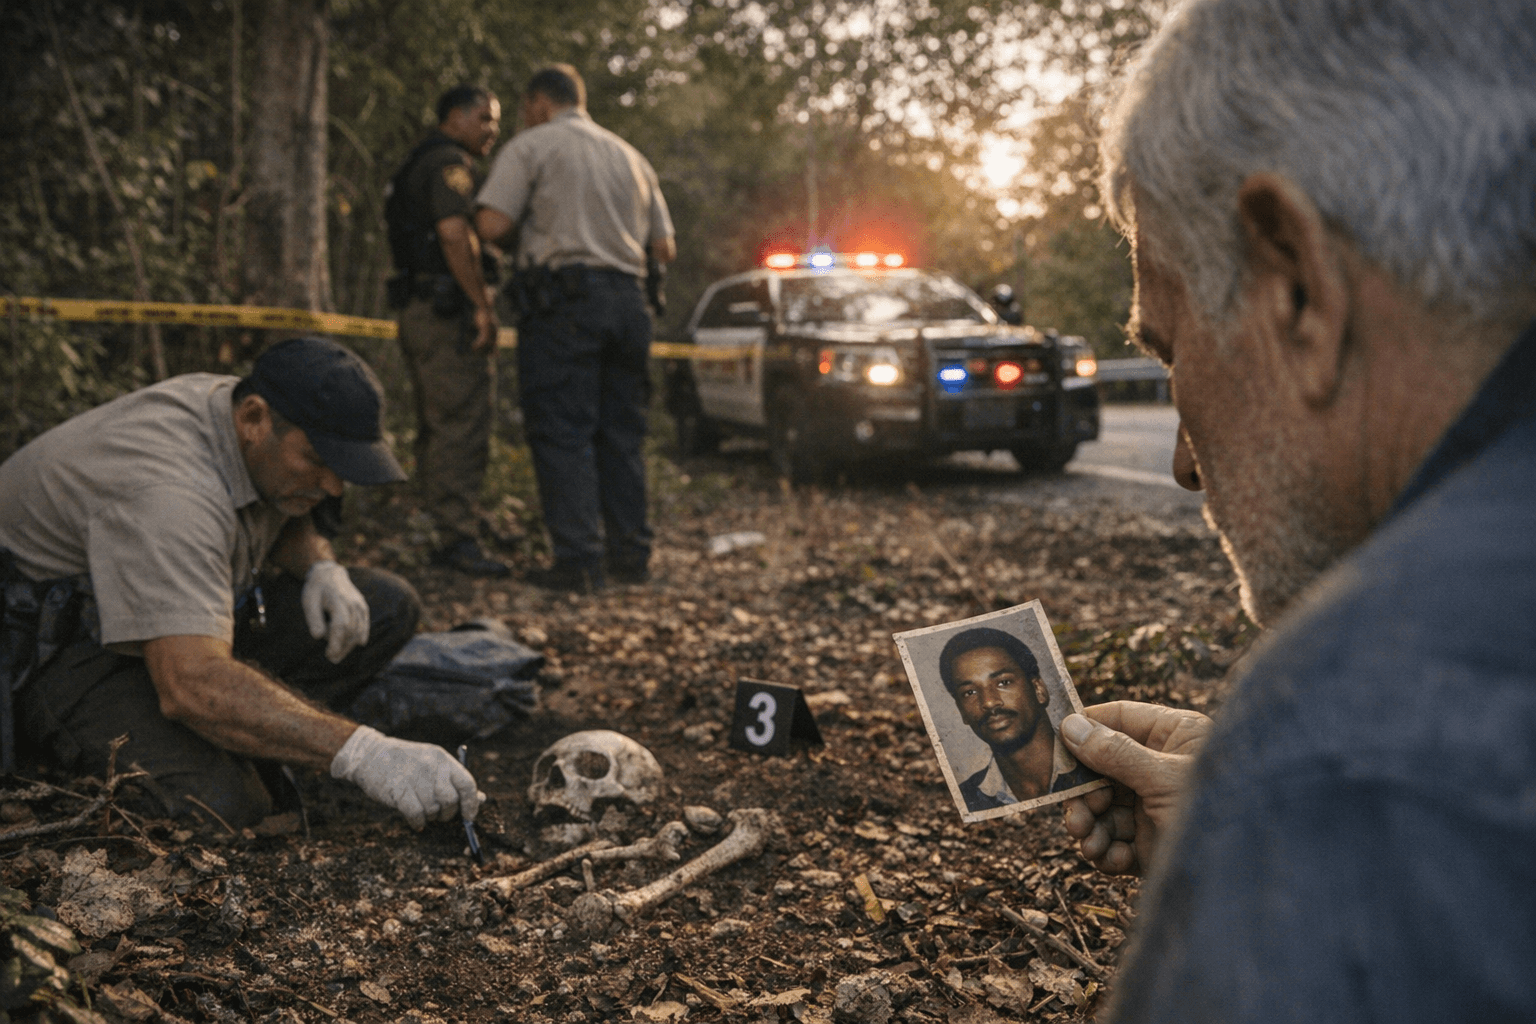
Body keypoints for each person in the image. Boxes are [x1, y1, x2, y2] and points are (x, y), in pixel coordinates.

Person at [1046, 1, 1536, 1019]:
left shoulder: (1358, 744)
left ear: (1297, 289)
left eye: (1174, 350)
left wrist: (1282, 825)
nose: (1184, 464)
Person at [0, 337, 483, 831]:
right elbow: (189, 683)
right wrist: (360, 751)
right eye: (318, 459)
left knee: (385, 606)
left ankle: (250, 727)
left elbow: (285, 505)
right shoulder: (169, 495)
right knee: (221, 805)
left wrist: (321, 567)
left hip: (169, 607)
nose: (334, 486)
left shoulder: (238, 415)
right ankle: (120, 741)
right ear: (254, 418)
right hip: (56, 647)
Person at [474, 64, 676, 594]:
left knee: (563, 431)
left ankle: (579, 562)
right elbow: (665, 248)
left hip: (564, 303)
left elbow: (490, 224)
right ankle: (631, 555)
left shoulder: (533, 145)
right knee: (621, 433)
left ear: (539, 102)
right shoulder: (631, 156)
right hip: (630, 304)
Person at [385, 85, 508, 577]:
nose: (492, 130)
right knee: (460, 423)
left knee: (437, 424)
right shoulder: (447, 164)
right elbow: (454, 233)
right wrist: (481, 305)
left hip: (419, 309)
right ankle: (454, 539)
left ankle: (444, 527)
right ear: (454, 117)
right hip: (443, 313)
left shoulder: (416, 160)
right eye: (484, 118)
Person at [937, 628, 1096, 812]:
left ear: (1038, 689)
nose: (989, 702)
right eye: (969, 692)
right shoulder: (967, 800)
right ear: (961, 711)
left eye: (1003, 682)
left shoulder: (1093, 767)